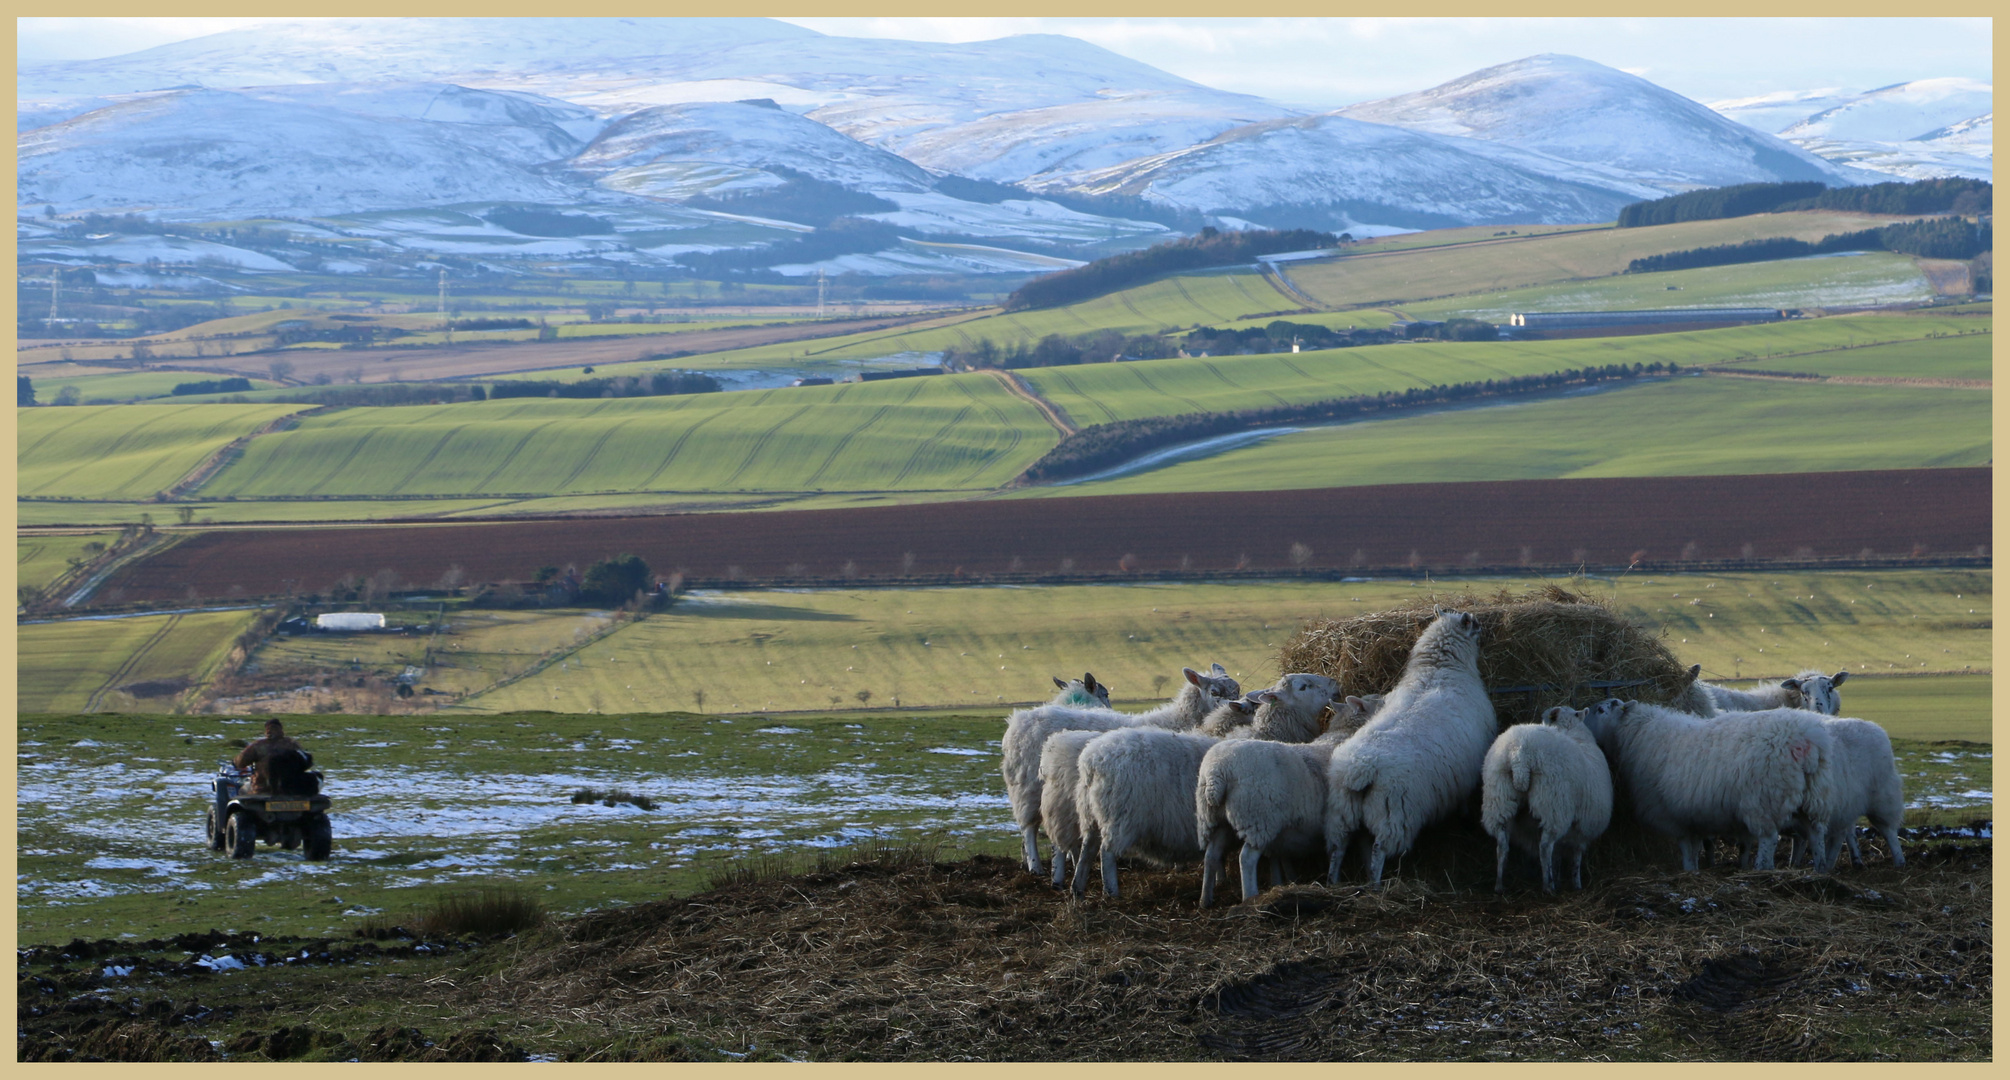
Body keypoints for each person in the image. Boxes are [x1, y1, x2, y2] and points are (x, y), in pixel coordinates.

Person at [234, 719, 309, 796]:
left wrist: (235, 761)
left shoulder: (258, 745)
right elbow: (305, 761)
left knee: (242, 791)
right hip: (290, 789)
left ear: (267, 729)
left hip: (262, 788)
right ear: (281, 729)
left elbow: (240, 762)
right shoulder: (292, 744)